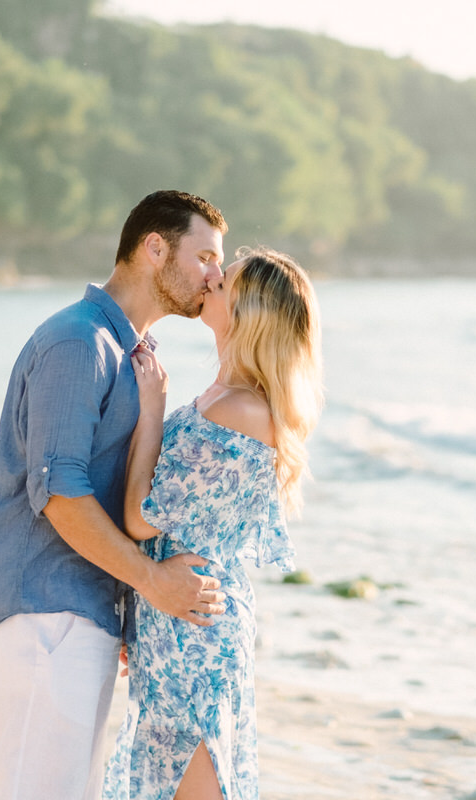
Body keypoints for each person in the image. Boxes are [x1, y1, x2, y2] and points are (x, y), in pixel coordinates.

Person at [0, 190, 232, 800]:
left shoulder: (131, 355)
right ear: (154, 248)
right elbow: (60, 494)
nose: (215, 276)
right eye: (205, 257)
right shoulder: (79, 342)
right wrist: (151, 580)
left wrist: (127, 603)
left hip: (82, 610)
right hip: (43, 608)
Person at [102, 247, 323, 800]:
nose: (212, 280)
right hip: (173, 616)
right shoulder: (221, 396)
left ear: (251, 315)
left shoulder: (241, 410)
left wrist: (152, 408)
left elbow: (138, 517)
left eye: (226, 282)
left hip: (199, 630)